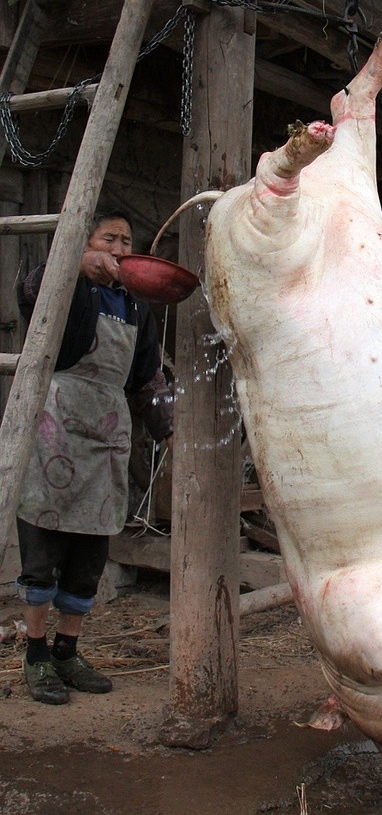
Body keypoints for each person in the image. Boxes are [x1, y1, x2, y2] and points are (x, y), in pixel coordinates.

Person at [15, 210, 174, 705]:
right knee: (44, 548)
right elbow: (31, 292)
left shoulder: (135, 307)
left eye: (128, 241)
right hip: (56, 428)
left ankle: (68, 651)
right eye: (109, 238)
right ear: (86, 244)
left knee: (89, 554)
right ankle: (36, 654)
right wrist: (79, 266)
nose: (120, 248)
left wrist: (169, 429)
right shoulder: (63, 283)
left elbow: (148, 376)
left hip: (107, 434)